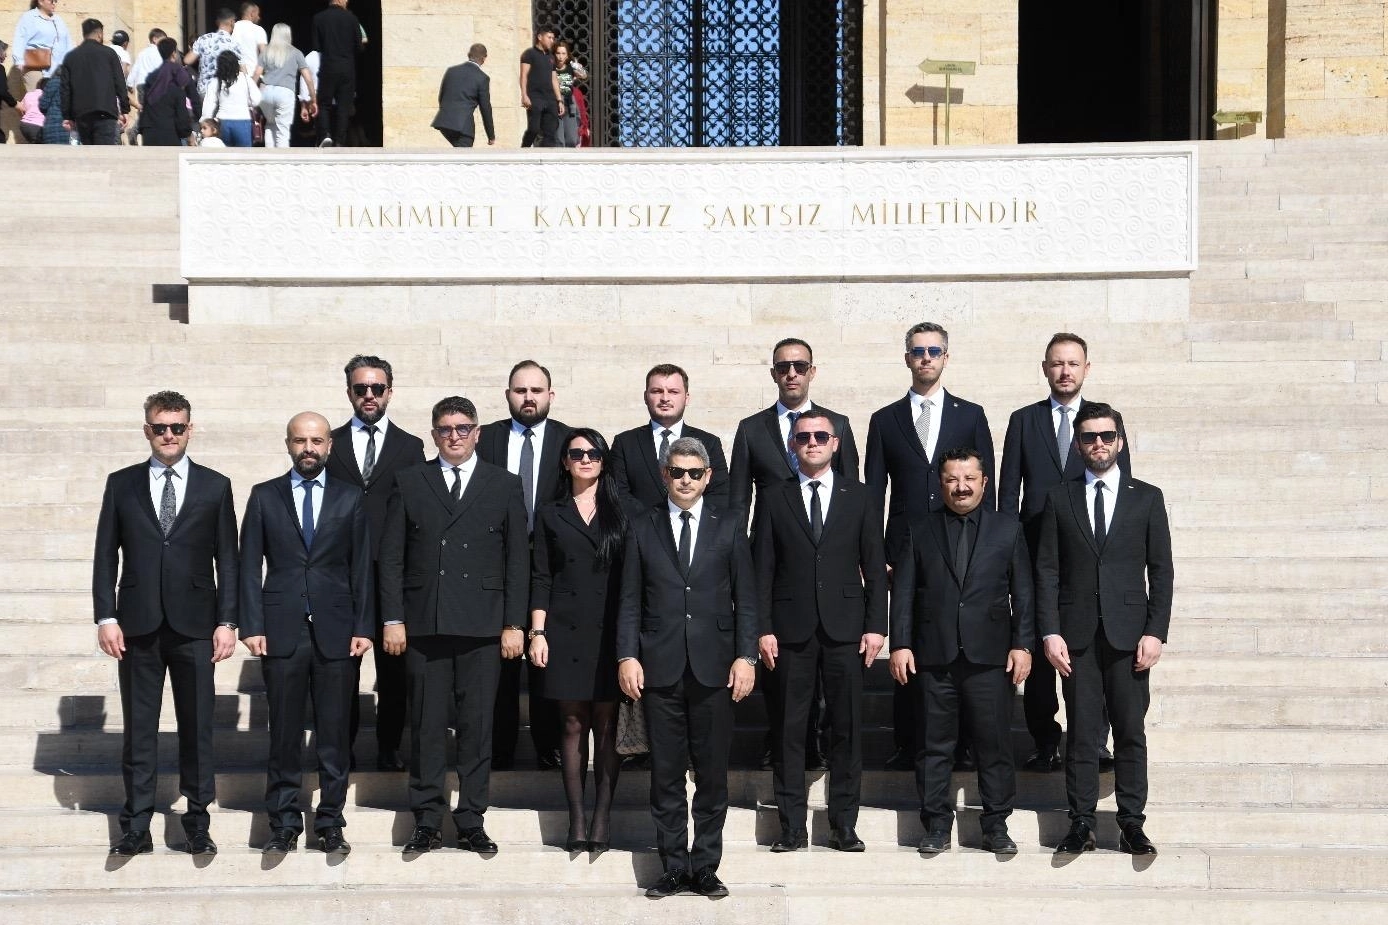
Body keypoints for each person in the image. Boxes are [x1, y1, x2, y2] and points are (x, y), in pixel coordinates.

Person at [378, 396, 528, 856]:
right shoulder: (410, 480)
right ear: (433, 434)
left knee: (477, 727)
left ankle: (471, 819)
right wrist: (393, 617)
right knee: (426, 725)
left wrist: (514, 623)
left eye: (463, 428)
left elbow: (517, 560)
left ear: (477, 433)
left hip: (483, 625)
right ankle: (426, 819)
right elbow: (392, 557)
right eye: (445, 429)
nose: (454, 436)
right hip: (426, 623)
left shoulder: (504, 483)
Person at [92, 391, 239, 857]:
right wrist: (106, 616)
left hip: (196, 626)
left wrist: (228, 621)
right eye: (161, 427)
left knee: (197, 728)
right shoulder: (121, 484)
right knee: (140, 729)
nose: (169, 435)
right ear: (147, 431)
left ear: (190, 429)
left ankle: (197, 820)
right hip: (137, 626)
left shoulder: (216, 486)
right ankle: (136, 825)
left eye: (177, 427)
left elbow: (228, 561)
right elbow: (105, 555)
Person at [618, 436, 757, 899]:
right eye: (677, 472)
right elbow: (630, 599)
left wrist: (746, 656)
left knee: (712, 775)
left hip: (715, 669)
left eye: (694, 473)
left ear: (708, 477)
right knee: (666, 775)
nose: (685, 480)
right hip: (659, 668)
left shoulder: (729, 524)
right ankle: (674, 867)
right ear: (665, 475)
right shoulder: (642, 525)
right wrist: (627, 655)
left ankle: (706, 866)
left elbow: (747, 598)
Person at [1035, 402, 1172, 857]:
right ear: (1077, 444)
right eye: (1089, 436)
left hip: (1130, 637)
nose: (1098, 443)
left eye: (1107, 436)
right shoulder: (1059, 497)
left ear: (1120, 441)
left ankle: (1132, 823)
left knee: (1130, 731)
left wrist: (1155, 631)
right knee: (1081, 732)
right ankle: (1081, 823)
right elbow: (1047, 571)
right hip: (1075, 638)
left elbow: (1161, 570)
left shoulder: (1146, 497)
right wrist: (1050, 631)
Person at [752, 410, 886, 853]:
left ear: (835, 443)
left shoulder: (859, 496)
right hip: (789, 631)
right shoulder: (773, 496)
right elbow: (762, 568)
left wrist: (876, 626)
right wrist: (763, 627)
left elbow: (874, 565)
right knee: (789, 730)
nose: (812, 442)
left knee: (846, 728)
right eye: (803, 436)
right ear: (792, 445)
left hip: (846, 630)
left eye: (820, 436)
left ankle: (844, 825)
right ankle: (791, 827)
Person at [239, 412, 373, 856]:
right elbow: (247, 565)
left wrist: (363, 626)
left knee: (334, 736)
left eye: (316, 441)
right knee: (284, 735)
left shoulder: (350, 497)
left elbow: (361, 567)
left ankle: (331, 822)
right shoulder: (264, 496)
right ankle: (283, 823)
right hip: (282, 630)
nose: (308, 449)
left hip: (338, 631)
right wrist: (252, 625)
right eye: (300, 441)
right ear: (288, 444)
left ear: (330, 445)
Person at [889, 447, 1034, 856]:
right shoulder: (919, 528)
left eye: (969, 478)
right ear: (941, 484)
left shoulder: (1008, 529)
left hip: (990, 657)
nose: (961, 487)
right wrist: (900, 643)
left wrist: (1022, 644)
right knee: (933, 745)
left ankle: (996, 824)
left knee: (994, 744)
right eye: (952, 479)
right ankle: (936, 824)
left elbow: (1024, 592)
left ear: (984, 482)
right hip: (933, 656)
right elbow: (903, 592)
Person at [999, 332, 1132, 773]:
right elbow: (1008, 491)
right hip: (1035, 551)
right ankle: (1044, 741)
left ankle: (1095, 741)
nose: (1065, 371)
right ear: (1045, 368)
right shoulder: (1024, 420)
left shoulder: (1105, 423)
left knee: (1095, 647)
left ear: (1086, 369)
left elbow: (1123, 491)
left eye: (1073, 363)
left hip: (1087, 555)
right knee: (1038, 648)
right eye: (1057, 363)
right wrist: (1007, 549)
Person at [865, 321, 995, 771]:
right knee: (909, 638)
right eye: (918, 351)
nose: (926, 358)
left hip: (960, 544)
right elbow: (873, 493)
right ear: (907, 358)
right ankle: (908, 741)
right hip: (905, 548)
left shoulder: (970, 415)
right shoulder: (885, 420)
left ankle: (964, 744)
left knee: (957, 639)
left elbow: (986, 487)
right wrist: (876, 553)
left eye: (934, 351)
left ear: (945, 357)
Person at [528, 428, 637, 853]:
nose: (586, 459)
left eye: (593, 453)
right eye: (577, 454)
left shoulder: (625, 510)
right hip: (564, 630)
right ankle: (576, 819)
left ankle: (601, 818)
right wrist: (538, 632)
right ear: (565, 462)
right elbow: (541, 575)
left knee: (607, 726)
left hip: (612, 631)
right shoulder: (550, 512)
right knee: (572, 723)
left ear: (604, 461)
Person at [324, 355, 426, 773]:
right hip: (340, 572)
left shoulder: (410, 447)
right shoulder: (328, 442)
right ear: (349, 392)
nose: (369, 395)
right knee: (341, 669)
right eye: (361, 388)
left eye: (377, 388)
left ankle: (389, 746)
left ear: (390, 392)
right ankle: (341, 747)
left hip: (390, 573)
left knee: (394, 668)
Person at [478, 360, 569, 770]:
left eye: (536, 390)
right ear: (508, 395)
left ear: (550, 395)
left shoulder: (569, 441)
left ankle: (549, 746)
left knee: (546, 658)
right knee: (501, 661)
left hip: (553, 565)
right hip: (497, 564)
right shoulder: (487, 439)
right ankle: (500, 747)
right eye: (520, 390)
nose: (528, 398)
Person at [609, 363, 731, 510]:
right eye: (657, 391)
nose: (665, 398)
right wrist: (649, 521)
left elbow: (719, 495)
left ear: (686, 397)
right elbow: (618, 494)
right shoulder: (625, 443)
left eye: (673, 392)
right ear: (645, 397)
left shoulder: (709, 443)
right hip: (638, 524)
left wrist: (684, 519)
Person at [59, 18, 129, 145]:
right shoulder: (109, 54)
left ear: (84, 34)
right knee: (103, 153)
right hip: (105, 113)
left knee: (88, 152)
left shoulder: (71, 57)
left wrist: (67, 116)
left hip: (82, 114)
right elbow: (120, 83)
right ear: (100, 34)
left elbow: (65, 89)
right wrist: (125, 109)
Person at [313, 0, 365, 147]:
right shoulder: (352, 18)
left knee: (324, 103)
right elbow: (359, 47)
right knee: (344, 106)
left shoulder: (318, 18)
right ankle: (340, 141)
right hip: (347, 68)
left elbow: (316, 46)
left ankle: (325, 135)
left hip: (328, 66)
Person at [256, 23, 316, 148]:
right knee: (282, 130)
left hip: (266, 92)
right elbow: (308, 78)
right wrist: (313, 99)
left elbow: (257, 74)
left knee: (270, 124)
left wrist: (250, 93)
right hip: (285, 93)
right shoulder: (296, 53)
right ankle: (281, 159)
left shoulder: (266, 52)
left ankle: (269, 156)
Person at [432, 42, 494, 147]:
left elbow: (441, 97)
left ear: (469, 55)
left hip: (444, 123)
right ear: (484, 58)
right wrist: (491, 135)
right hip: (464, 127)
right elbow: (485, 108)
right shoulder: (482, 78)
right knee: (464, 155)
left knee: (458, 152)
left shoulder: (451, 71)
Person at [137, 38, 194, 147]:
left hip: (149, 132)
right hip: (169, 133)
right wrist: (188, 134)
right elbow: (181, 115)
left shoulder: (152, 77)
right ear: (173, 53)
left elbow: (146, 106)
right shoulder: (177, 77)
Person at [200, 48, 259, 147]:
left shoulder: (216, 81)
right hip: (242, 120)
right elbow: (256, 100)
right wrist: (245, 103)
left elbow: (209, 104)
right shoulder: (245, 78)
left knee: (224, 154)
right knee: (244, 155)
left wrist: (205, 121)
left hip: (222, 122)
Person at [11, 0, 72, 92]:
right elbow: (20, 39)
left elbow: (68, 42)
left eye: (56, 1)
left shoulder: (58, 20)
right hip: (35, 66)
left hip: (55, 67)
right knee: (37, 97)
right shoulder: (29, 17)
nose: (54, 3)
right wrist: (19, 60)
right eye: (51, 1)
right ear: (40, 1)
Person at [185, 8, 241, 101]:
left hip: (204, 90)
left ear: (217, 22)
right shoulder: (234, 43)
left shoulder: (203, 39)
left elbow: (187, 60)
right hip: (225, 91)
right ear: (232, 22)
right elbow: (242, 68)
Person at [518, 25, 561, 147]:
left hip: (550, 99)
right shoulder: (529, 54)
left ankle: (547, 155)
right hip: (535, 97)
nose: (552, 41)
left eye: (553, 38)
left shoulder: (551, 57)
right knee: (534, 129)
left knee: (550, 131)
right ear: (540, 37)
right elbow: (523, 75)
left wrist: (559, 100)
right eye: (549, 37)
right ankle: (525, 148)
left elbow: (554, 79)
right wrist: (524, 95)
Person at [125, 28, 169, 144]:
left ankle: (138, 133)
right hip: (153, 86)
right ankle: (136, 131)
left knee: (145, 112)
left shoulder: (142, 53)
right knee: (152, 113)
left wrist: (129, 83)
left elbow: (135, 69)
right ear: (155, 39)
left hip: (141, 85)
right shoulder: (158, 52)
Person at [552, 40, 584, 148]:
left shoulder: (570, 67)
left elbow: (584, 76)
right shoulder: (551, 68)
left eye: (563, 53)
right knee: (559, 140)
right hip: (555, 103)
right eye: (558, 53)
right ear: (554, 54)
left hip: (569, 103)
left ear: (567, 55)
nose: (560, 56)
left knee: (571, 138)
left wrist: (577, 67)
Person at [232, 2, 266, 76]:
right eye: (258, 14)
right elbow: (263, 54)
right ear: (252, 13)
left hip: (235, 75)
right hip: (253, 74)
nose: (259, 17)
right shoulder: (258, 30)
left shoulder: (233, 28)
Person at [36, 67, 67, 144]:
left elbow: (43, 105)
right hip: (72, 128)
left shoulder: (53, 82)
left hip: (52, 127)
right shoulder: (76, 84)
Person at [17, 79, 46, 143]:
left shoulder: (28, 94)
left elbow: (21, 107)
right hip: (39, 126)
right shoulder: (46, 96)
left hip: (24, 125)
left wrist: (24, 116)